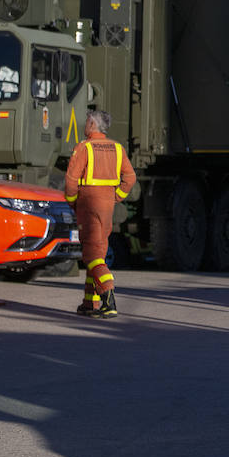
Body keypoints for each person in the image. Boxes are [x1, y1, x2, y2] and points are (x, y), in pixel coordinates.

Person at [64, 109, 136, 318]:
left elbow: (70, 181)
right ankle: (91, 302)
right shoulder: (117, 148)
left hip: (88, 204)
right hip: (107, 206)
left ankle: (108, 299)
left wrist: (72, 202)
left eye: (87, 121)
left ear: (93, 125)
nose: (85, 125)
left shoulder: (84, 148)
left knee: (91, 254)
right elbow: (130, 177)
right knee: (98, 252)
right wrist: (116, 196)